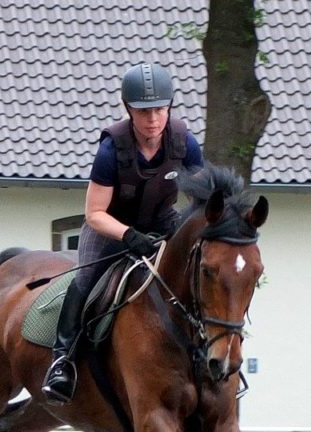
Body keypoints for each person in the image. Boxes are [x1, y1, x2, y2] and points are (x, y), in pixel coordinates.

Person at [41, 61, 204, 404]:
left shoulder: (184, 143)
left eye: (160, 109)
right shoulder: (111, 150)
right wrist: (129, 236)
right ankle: (62, 361)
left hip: (162, 222)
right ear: (128, 109)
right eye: (144, 111)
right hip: (110, 228)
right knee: (85, 284)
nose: (153, 119)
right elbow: (94, 213)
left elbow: (201, 198)